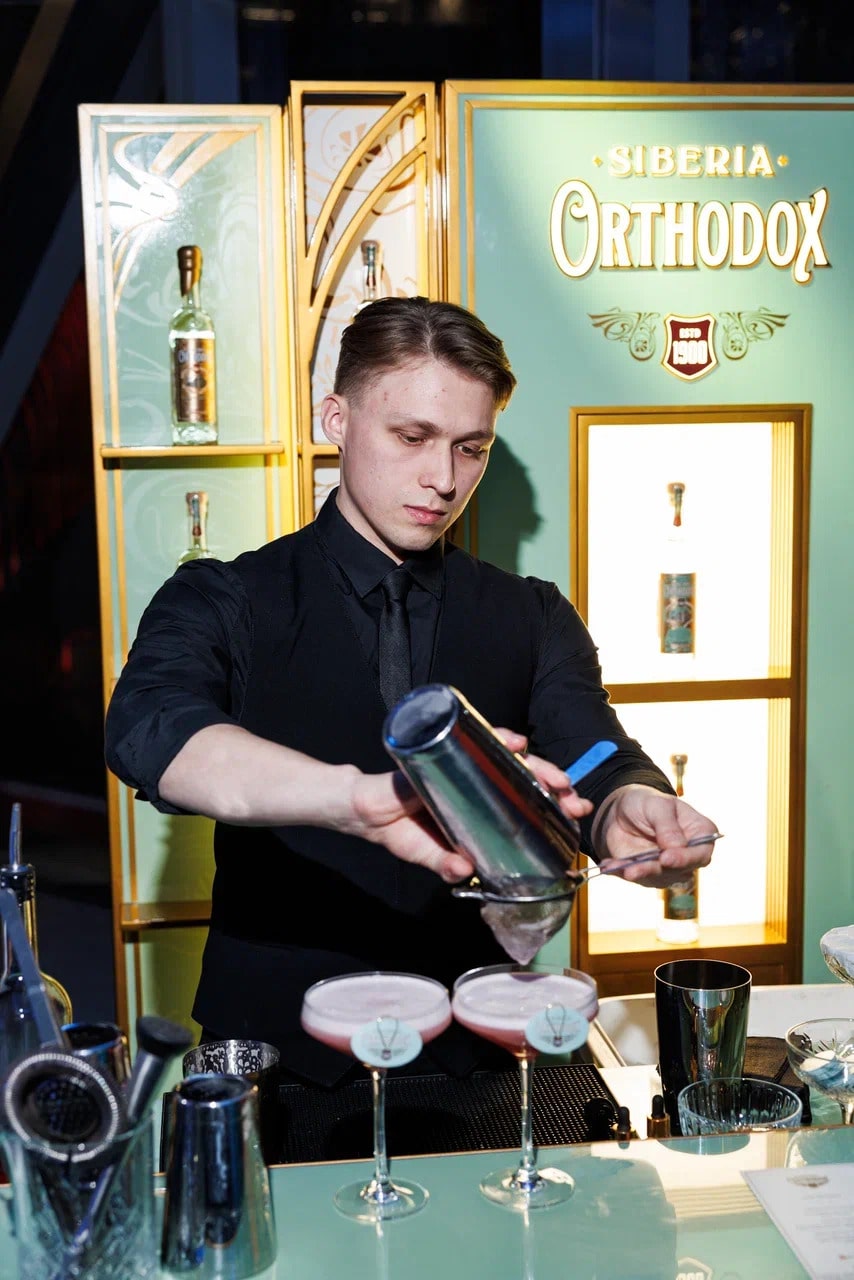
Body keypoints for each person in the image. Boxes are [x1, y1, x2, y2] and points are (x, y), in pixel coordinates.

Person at [105, 296, 718, 1094]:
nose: (444, 478)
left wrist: (624, 803)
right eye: (412, 437)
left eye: (471, 448)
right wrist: (352, 800)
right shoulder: (224, 598)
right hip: (278, 1057)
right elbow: (152, 729)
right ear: (337, 418)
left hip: (482, 1053)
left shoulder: (531, 614)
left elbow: (593, 752)